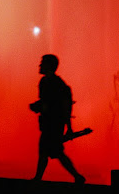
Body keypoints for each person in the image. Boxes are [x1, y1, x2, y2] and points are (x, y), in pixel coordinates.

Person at [30, 54, 85, 183]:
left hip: (54, 125)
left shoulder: (57, 84)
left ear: (49, 66)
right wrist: (38, 106)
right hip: (49, 124)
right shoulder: (44, 82)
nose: (40, 65)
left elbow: (64, 106)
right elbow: (46, 103)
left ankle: (39, 178)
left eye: (42, 63)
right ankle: (76, 176)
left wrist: (69, 128)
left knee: (49, 151)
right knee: (54, 152)